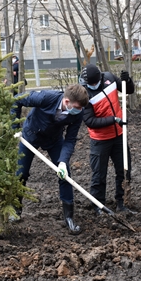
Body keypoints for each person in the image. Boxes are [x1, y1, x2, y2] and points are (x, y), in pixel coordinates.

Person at [12, 84, 89, 234]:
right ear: (66, 102)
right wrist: (14, 127)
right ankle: (15, 211)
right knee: (21, 173)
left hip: (54, 140)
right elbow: (17, 100)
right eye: (77, 107)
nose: (80, 111)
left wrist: (62, 161)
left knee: (65, 175)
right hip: (30, 135)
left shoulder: (78, 113)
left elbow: (70, 139)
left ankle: (69, 217)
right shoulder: (46, 97)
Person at [79, 64, 135, 215]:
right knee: (99, 174)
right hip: (100, 140)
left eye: (94, 83)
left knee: (124, 170)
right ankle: (99, 206)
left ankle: (122, 203)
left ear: (100, 78)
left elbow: (128, 90)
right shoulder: (83, 92)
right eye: (89, 84)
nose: (92, 86)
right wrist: (114, 120)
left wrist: (127, 81)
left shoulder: (109, 78)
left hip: (118, 136)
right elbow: (90, 121)